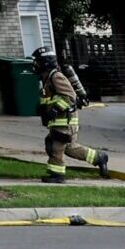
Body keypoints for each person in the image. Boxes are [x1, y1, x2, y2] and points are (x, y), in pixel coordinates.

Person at [33, 47, 108, 183]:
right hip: (58, 121)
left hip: (65, 120)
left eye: (38, 62)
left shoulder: (56, 76)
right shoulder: (47, 78)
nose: (35, 65)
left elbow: (70, 97)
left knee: (56, 146)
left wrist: (55, 109)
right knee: (69, 148)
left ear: (45, 62)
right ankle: (99, 157)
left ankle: (57, 175)